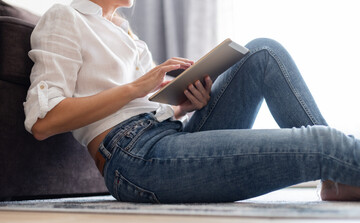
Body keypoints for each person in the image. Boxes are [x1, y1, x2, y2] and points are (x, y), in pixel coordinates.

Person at [24, 0, 360, 203]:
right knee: (323, 145)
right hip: (133, 159)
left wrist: (185, 105)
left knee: (263, 51)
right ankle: (340, 170)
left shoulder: (126, 32)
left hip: (166, 135)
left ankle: (337, 181)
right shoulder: (64, 18)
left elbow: (147, 109)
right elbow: (43, 122)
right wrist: (136, 87)